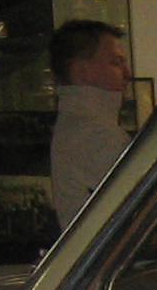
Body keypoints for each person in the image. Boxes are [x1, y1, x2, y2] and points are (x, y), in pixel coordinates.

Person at [48, 19, 132, 226]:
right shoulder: (95, 133)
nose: (126, 73)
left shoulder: (78, 125)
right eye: (116, 63)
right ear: (82, 72)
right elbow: (154, 199)